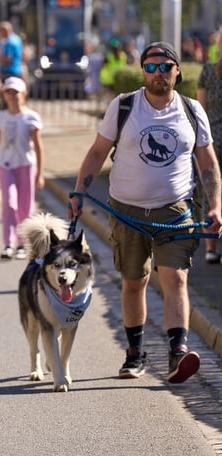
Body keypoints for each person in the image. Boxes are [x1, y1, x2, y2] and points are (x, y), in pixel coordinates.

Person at [70, 42, 222, 383]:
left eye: (165, 67)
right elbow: (97, 153)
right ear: (142, 72)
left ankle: (177, 354)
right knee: (134, 281)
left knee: (175, 277)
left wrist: (216, 206)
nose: (158, 73)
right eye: (151, 67)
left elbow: (208, 163)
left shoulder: (191, 110)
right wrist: (79, 191)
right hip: (127, 210)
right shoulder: (124, 106)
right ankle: (135, 354)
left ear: (177, 71)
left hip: (176, 209)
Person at [0, 77, 44, 259]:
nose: (12, 96)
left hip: (26, 165)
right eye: (8, 92)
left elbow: (38, 146)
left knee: (25, 207)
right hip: (6, 165)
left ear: (24, 94)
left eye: (15, 92)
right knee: (9, 204)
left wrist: (40, 174)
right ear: (4, 95)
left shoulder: (31, 117)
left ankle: (22, 244)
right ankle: (8, 243)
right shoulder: (2, 116)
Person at [197, 35, 222, 264]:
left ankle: (212, 246)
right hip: (214, 140)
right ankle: (212, 245)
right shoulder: (208, 71)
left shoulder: (208, 72)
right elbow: (200, 109)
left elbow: (201, 107)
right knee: (212, 189)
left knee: (211, 190)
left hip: (214, 138)